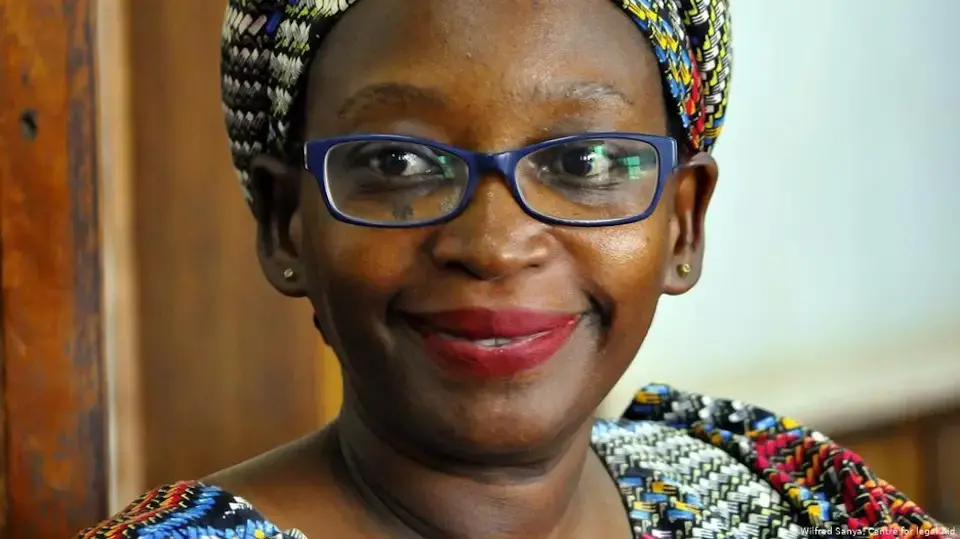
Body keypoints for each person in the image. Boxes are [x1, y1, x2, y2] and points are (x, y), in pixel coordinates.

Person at [79, 0, 953, 538]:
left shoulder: (778, 503)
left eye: (585, 165)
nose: (495, 244)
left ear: (682, 223)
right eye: (397, 163)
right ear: (286, 225)